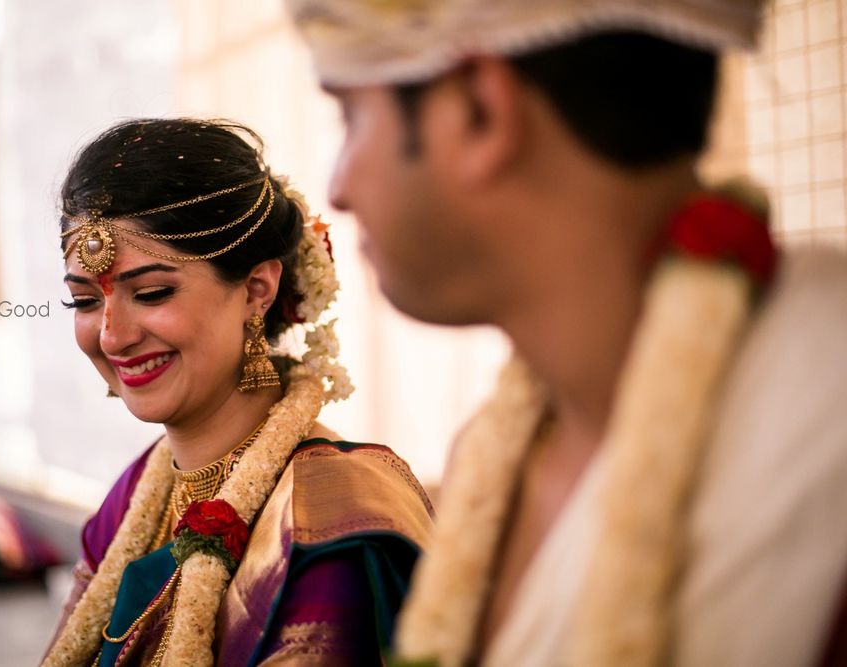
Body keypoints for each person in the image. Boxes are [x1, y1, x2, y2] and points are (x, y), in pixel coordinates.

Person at [284, 1, 847, 666]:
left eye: (350, 116)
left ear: (479, 110)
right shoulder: (492, 461)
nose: (338, 187)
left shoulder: (824, 408)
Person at [40, 118, 432, 666]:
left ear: (256, 290)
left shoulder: (332, 522)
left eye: (151, 293)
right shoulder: (132, 500)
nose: (112, 335)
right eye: (83, 302)